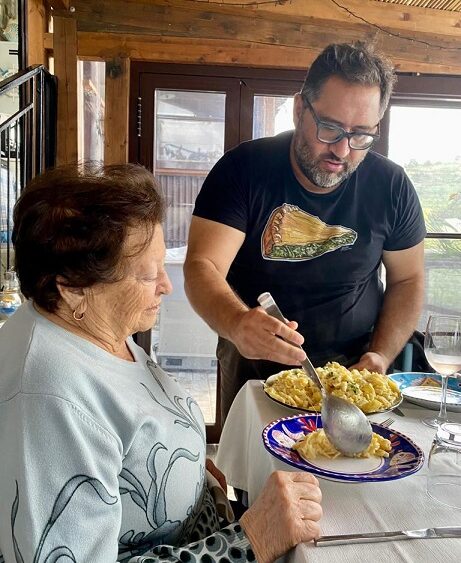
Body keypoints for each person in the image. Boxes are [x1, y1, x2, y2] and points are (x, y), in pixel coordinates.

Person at [0, 163, 322, 563]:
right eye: (147, 275)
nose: (166, 286)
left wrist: (187, 475)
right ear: (73, 289)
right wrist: (249, 541)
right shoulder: (48, 399)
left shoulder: (92, 327)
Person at [184, 42, 426, 424]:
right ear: (299, 110)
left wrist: (380, 354)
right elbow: (202, 265)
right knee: (264, 481)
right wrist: (235, 323)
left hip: (356, 372)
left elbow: (408, 278)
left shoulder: (391, 185)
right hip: (256, 365)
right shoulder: (242, 170)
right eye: (329, 128)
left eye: (361, 134)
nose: (343, 150)